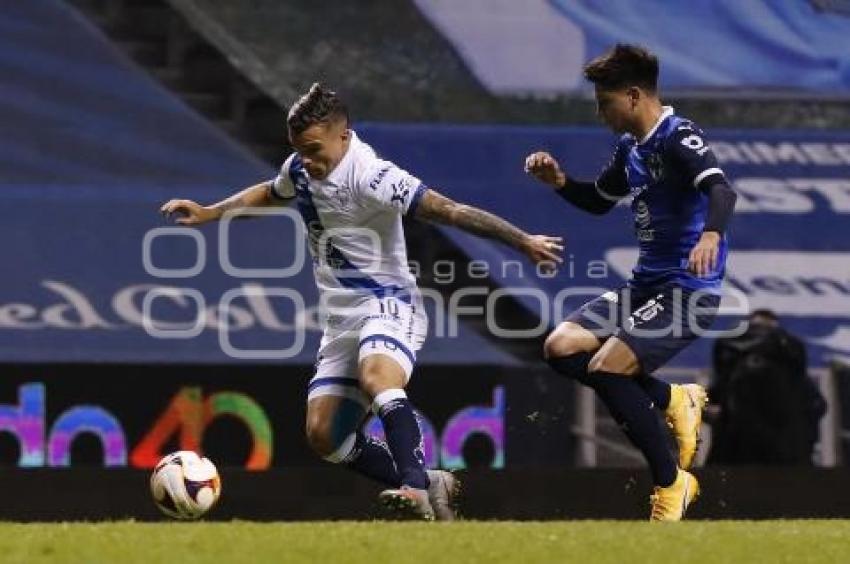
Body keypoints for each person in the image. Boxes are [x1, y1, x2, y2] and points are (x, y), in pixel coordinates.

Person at [161, 83, 563, 520]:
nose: (308, 162)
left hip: (389, 303)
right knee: (324, 438)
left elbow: (450, 210)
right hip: (341, 322)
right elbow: (273, 190)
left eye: (315, 150)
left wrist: (521, 240)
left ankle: (412, 488)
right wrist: (212, 212)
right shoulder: (300, 166)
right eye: (300, 151)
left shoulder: (372, 176)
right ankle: (431, 482)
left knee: (378, 375)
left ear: (344, 135)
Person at [525, 44, 737, 521]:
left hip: (687, 291)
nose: (602, 113)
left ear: (635, 96)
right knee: (560, 347)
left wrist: (710, 233)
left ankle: (671, 484)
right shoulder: (630, 148)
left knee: (605, 368)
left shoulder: (678, 136)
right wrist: (560, 181)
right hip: (645, 287)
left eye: (606, 102)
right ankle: (671, 399)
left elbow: (721, 189)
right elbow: (600, 201)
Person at [707, 309, 826, 465]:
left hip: (737, 453)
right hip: (786, 457)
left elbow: (708, 403)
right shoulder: (791, 357)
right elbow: (817, 406)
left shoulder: (731, 355)